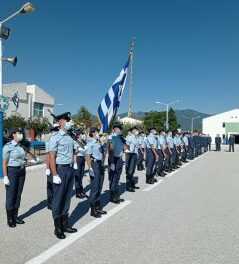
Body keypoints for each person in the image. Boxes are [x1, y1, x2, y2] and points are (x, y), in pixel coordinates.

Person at [48, 112, 77, 239]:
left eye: (69, 120)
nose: (69, 122)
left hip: (69, 169)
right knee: (58, 198)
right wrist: (54, 174)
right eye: (66, 120)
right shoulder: (55, 137)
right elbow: (51, 157)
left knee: (67, 197)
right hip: (60, 170)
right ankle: (58, 227)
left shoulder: (71, 137)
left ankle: (65, 223)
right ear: (60, 122)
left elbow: (75, 150)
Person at [3, 128, 26, 228]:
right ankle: (10, 219)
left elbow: (22, 158)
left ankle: (15, 216)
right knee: (11, 195)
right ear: (13, 135)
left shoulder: (21, 146)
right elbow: (4, 163)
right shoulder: (8, 147)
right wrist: (5, 176)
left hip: (21, 171)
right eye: (18, 133)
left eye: (21, 133)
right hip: (12, 171)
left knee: (18, 194)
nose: (21, 134)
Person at [86, 127, 107, 218]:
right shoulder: (90, 143)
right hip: (94, 164)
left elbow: (103, 153)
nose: (99, 133)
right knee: (94, 187)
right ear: (93, 133)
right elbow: (87, 156)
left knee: (99, 186)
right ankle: (93, 209)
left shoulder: (99, 142)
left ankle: (98, 206)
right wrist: (90, 168)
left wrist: (103, 144)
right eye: (97, 132)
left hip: (100, 164)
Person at [108, 123, 126, 203]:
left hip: (120, 159)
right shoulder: (112, 137)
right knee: (113, 178)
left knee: (117, 178)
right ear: (115, 129)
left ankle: (116, 195)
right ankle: (113, 196)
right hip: (114, 159)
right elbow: (111, 149)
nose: (121, 130)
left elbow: (125, 147)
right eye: (119, 129)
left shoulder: (121, 137)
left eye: (121, 129)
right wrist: (111, 162)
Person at [45, 123, 60, 210]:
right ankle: (50, 202)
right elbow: (48, 155)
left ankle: (55, 201)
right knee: (50, 184)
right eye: (56, 129)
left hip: (58, 163)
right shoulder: (50, 139)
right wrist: (47, 168)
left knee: (56, 184)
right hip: (51, 164)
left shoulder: (59, 138)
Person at [74, 130, 88, 199]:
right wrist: (78, 149)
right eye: (80, 134)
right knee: (77, 176)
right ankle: (78, 192)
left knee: (81, 175)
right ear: (78, 135)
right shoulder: (75, 141)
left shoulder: (82, 141)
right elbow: (74, 152)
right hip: (78, 158)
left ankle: (81, 190)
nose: (82, 135)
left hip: (82, 158)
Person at [125, 127, 140, 192]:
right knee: (129, 171)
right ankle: (128, 186)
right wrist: (127, 156)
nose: (137, 131)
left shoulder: (136, 138)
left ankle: (132, 184)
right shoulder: (129, 137)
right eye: (135, 130)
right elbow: (126, 145)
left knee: (133, 170)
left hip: (134, 154)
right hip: (130, 154)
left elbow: (137, 147)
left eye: (137, 130)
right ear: (132, 131)